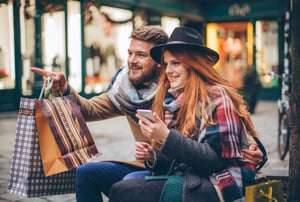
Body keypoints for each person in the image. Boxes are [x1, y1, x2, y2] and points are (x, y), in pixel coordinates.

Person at [31, 26, 265, 202]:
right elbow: (89, 109)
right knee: (88, 173)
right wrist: (65, 90)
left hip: (193, 173)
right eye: (130, 53)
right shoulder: (130, 92)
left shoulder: (191, 91)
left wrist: (256, 150)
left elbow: (229, 140)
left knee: (128, 186)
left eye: (141, 55)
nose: (132, 61)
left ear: (157, 63)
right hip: (159, 165)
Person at [109, 26, 267, 202]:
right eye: (167, 64)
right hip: (189, 177)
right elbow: (178, 161)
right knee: (126, 184)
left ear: (194, 65)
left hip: (218, 183)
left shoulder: (215, 95)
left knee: (124, 191)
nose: (168, 70)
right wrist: (152, 156)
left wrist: (166, 136)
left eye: (176, 63)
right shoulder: (174, 101)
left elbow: (215, 160)